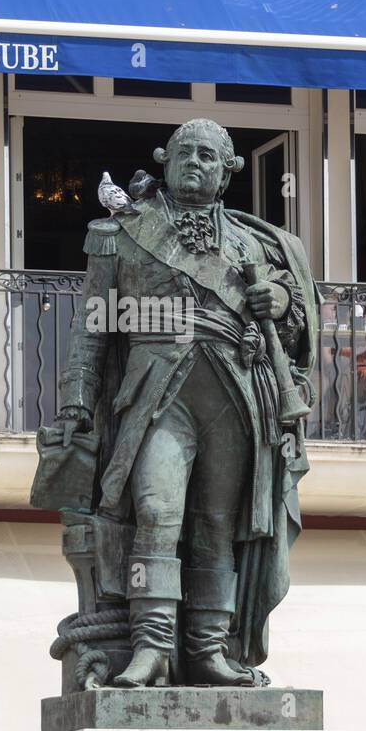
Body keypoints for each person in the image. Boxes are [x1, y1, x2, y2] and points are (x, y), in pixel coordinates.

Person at [50, 119, 321, 688]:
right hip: (156, 388)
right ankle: (151, 646)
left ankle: (208, 650)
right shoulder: (121, 232)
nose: (194, 162)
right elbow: (92, 327)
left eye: (207, 155)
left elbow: (297, 334)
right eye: (183, 152)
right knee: (156, 510)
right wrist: (76, 399)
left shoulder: (257, 245)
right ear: (164, 159)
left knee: (217, 526)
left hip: (235, 390)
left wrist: (280, 301)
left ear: (227, 173)